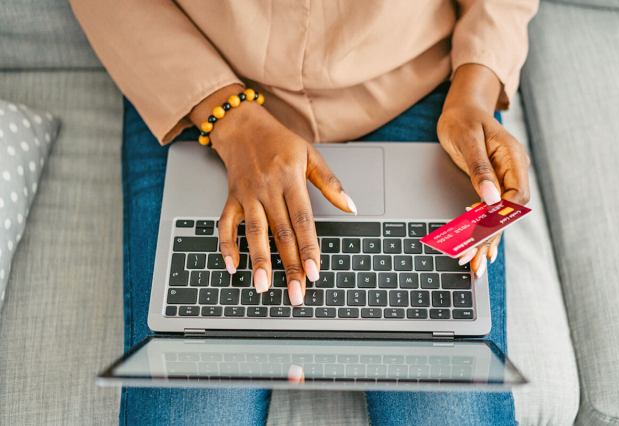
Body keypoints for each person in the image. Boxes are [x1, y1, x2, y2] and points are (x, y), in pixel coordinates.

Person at [71, 1, 537, 425]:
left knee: (449, 411)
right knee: (193, 412)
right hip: (205, 84)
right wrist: (228, 116)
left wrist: (475, 87)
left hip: (415, 85)